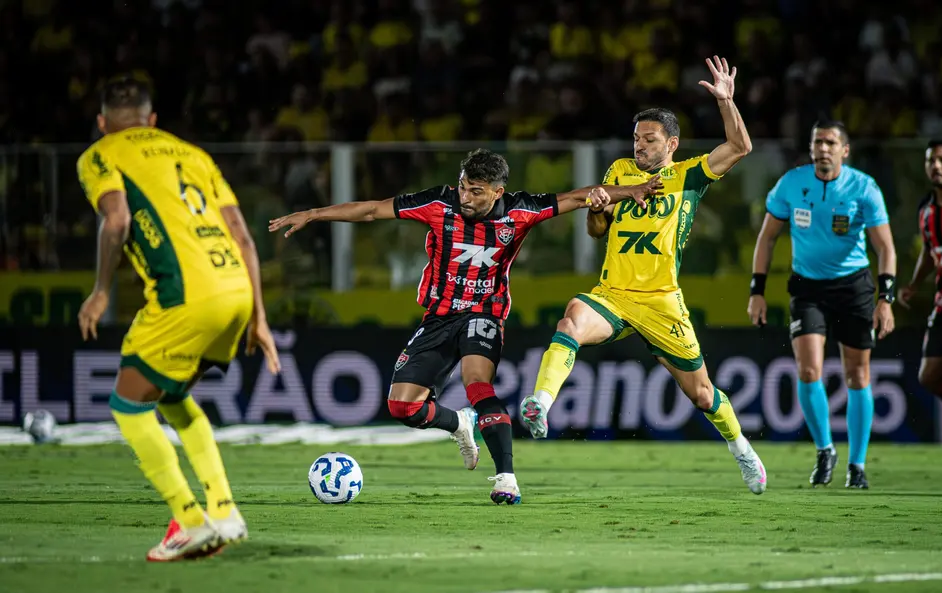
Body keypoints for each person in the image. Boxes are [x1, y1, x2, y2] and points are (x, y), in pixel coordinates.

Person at [268, 149, 662, 504]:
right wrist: (315, 214)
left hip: (485, 314)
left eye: (475, 191)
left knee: (477, 385)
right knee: (402, 407)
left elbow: (580, 196)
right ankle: (459, 423)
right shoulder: (439, 202)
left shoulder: (521, 210)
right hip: (438, 318)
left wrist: (635, 189)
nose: (465, 197)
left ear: (497, 191)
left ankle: (506, 476)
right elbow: (372, 210)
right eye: (462, 187)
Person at [519, 56, 768, 495]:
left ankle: (742, 449)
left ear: (672, 144)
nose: (639, 146)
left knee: (703, 395)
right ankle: (540, 404)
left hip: (661, 301)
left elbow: (740, 148)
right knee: (571, 318)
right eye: (637, 139)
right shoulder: (619, 172)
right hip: (613, 294)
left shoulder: (690, 175)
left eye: (649, 140)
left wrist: (727, 102)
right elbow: (599, 231)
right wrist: (596, 211)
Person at [76, 77, 281, 561]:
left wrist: (102, 290)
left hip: (185, 294)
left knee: (127, 405)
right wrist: (260, 316)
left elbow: (118, 220)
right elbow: (244, 236)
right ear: (152, 121)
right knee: (171, 396)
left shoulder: (100, 154)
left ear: (103, 123)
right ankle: (224, 510)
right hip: (235, 287)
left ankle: (189, 520)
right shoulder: (193, 154)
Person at [748, 120, 896, 489]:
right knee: (809, 370)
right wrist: (757, 290)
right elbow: (767, 239)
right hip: (807, 286)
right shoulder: (792, 183)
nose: (823, 148)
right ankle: (824, 450)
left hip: (853, 287)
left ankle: (857, 465)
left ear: (845, 150)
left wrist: (886, 299)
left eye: (831, 142)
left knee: (857, 375)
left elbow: (885, 247)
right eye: (818, 142)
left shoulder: (864, 188)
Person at [899, 140, 942, 402]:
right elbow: (931, 250)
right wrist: (915, 283)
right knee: (929, 376)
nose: (936, 166)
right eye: (931, 161)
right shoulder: (926, 211)